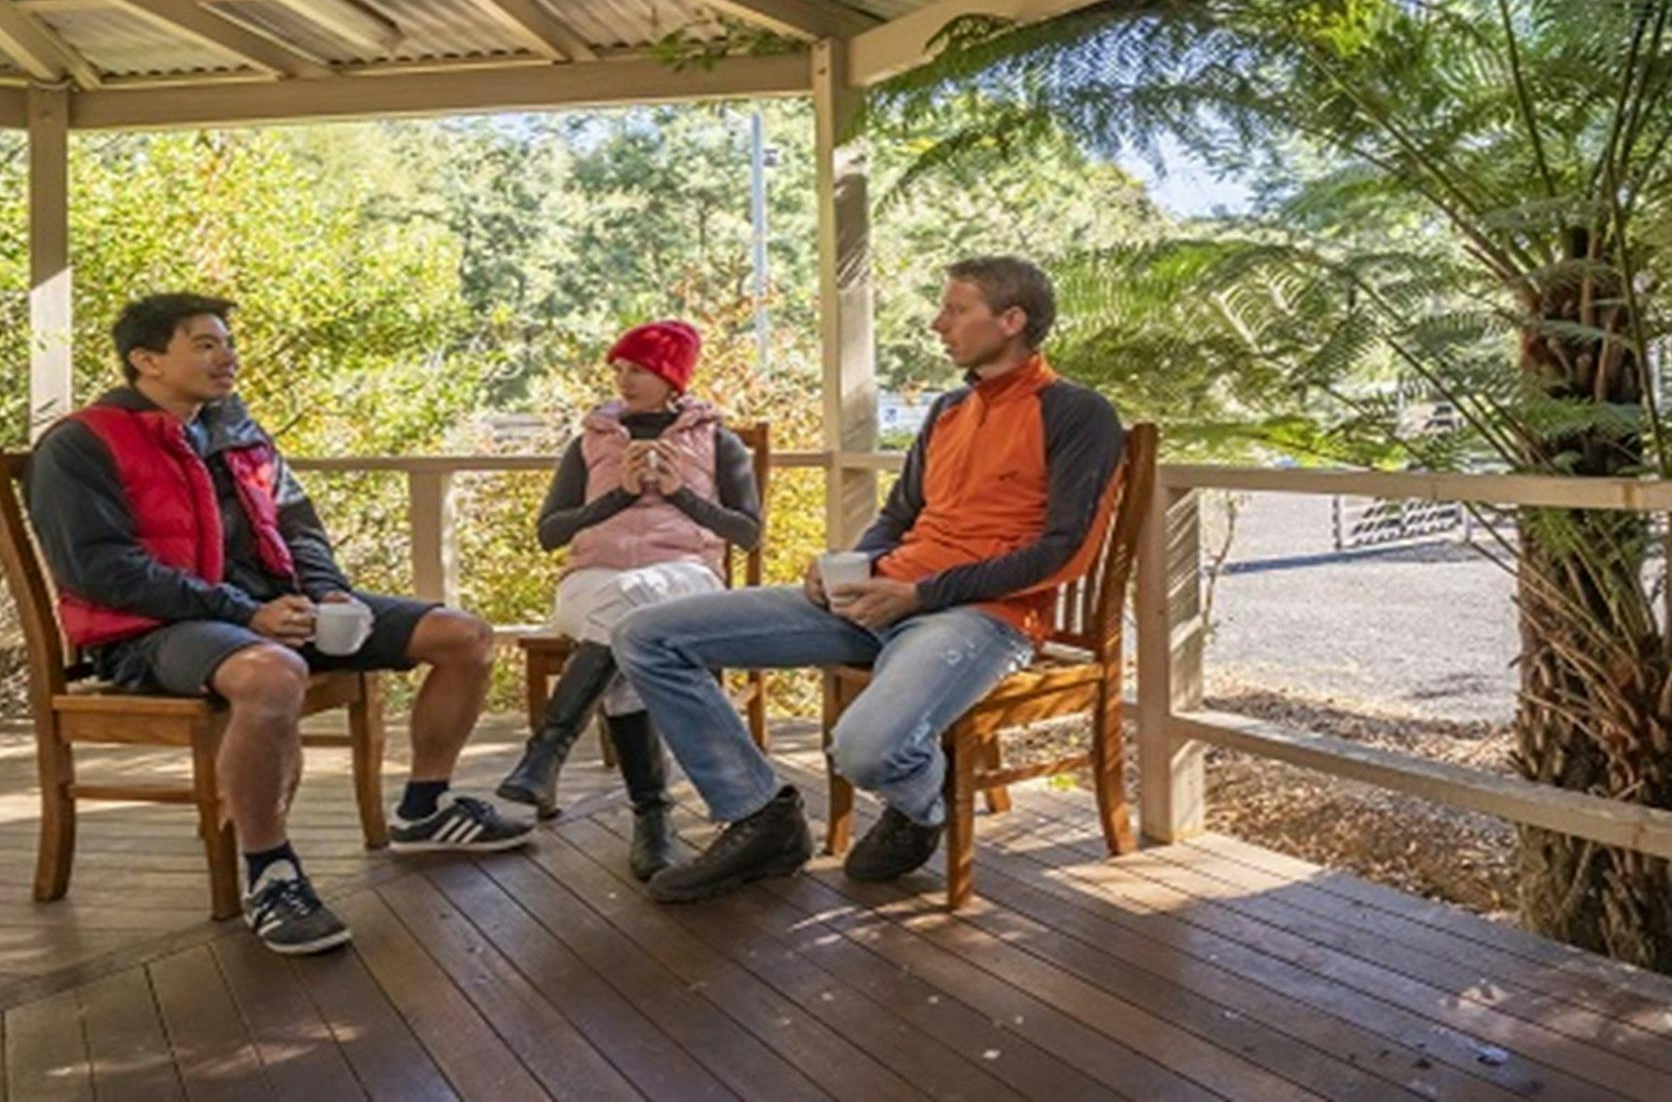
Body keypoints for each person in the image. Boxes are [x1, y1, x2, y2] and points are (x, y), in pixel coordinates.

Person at [26, 294, 532, 957]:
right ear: (145, 360)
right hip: (152, 630)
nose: (226, 356)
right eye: (204, 344)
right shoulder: (81, 444)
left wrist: (327, 596)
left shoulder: (237, 432)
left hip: (268, 609)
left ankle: (425, 810)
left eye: (227, 343)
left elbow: (299, 525)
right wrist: (244, 613)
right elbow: (101, 570)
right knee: (272, 676)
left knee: (462, 635)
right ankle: (272, 874)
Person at [614, 256, 1126, 904]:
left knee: (862, 752)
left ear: (1011, 319)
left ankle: (922, 805)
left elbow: (1065, 552)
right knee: (645, 636)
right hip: (882, 598)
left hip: (979, 617)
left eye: (955, 309)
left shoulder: (1077, 413)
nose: (939, 324)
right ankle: (760, 816)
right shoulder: (948, 410)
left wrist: (920, 595)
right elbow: (898, 516)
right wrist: (845, 571)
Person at [495, 318, 761, 879]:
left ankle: (549, 753)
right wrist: (617, 496)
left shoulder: (718, 443)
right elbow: (550, 533)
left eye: (637, 369)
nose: (623, 379)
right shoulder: (590, 442)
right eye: (618, 368)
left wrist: (677, 494)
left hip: (688, 576)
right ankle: (653, 822)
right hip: (591, 579)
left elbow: (747, 533)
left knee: (631, 614)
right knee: (628, 616)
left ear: (671, 376)